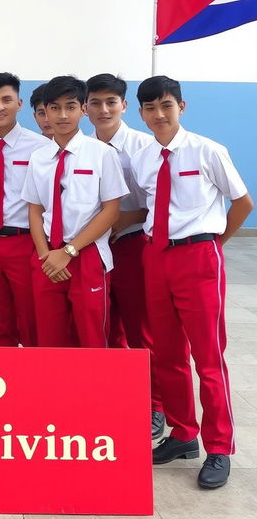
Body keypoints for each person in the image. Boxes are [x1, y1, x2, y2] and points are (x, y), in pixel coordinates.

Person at [130, 75, 253, 489]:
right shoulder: (144, 157)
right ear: (141, 112)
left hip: (199, 256)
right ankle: (184, 434)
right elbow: (143, 207)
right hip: (156, 256)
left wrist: (213, 243)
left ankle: (219, 446)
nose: (158, 114)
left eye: (166, 105)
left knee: (208, 356)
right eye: (149, 108)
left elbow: (242, 202)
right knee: (166, 353)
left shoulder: (207, 150)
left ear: (181, 106)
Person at [84, 73, 164, 440]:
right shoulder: (83, 147)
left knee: (140, 329)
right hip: (94, 248)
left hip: (131, 245)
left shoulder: (145, 147)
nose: (103, 110)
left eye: (110, 102)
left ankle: (155, 406)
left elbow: (158, 202)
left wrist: (120, 220)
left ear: (124, 105)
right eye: (95, 103)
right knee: (107, 328)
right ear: (85, 107)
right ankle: (118, 397)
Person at [21, 75, 128, 348]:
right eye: (54, 108)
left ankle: (95, 391)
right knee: (50, 339)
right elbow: (35, 209)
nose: (62, 114)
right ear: (45, 111)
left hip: (86, 256)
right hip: (47, 256)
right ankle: (54, 391)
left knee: (92, 337)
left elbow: (111, 210)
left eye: (70, 106)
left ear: (83, 109)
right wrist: (45, 254)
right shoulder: (39, 157)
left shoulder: (102, 154)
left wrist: (69, 252)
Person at [0, 72, 48, 346]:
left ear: (19, 103)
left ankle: (33, 381)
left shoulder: (41, 148)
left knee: (31, 320)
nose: (0, 107)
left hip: (25, 242)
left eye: (7, 100)